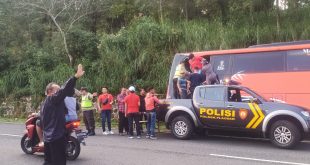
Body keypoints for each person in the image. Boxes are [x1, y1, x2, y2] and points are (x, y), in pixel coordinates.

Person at [40, 64, 84, 165]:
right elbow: (64, 90)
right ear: (50, 91)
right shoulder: (52, 99)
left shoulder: (45, 103)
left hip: (48, 138)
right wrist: (75, 77)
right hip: (56, 137)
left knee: (48, 162)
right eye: (57, 90)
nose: (60, 92)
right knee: (58, 162)